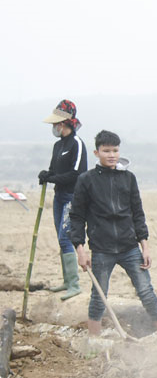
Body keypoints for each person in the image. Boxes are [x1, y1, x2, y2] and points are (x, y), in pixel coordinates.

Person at [69, 131, 157, 336]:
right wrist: (80, 249)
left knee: (147, 293)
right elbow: (77, 217)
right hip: (101, 249)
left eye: (115, 150)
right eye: (106, 151)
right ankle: (93, 341)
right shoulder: (86, 180)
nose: (111, 154)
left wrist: (145, 246)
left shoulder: (128, 178)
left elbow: (138, 213)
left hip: (129, 247)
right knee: (99, 297)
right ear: (97, 152)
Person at [38, 99, 87, 300]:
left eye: (55, 124)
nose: (53, 127)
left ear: (65, 123)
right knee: (60, 235)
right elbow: (53, 170)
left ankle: (74, 284)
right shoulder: (58, 145)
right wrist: (46, 175)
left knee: (65, 237)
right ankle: (66, 281)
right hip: (59, 196)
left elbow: (76, 174)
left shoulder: (77, 143)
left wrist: (53, 178)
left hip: (72, 196)